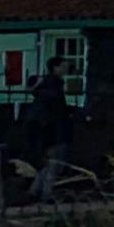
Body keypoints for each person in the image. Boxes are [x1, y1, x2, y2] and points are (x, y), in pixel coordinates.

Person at [28, 64, 77, 204]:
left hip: (46, 135)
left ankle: (34, 190)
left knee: (47, 165)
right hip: (56, 134)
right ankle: (46, 194)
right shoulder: (54, 98)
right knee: (54, 165)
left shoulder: (40, 100)